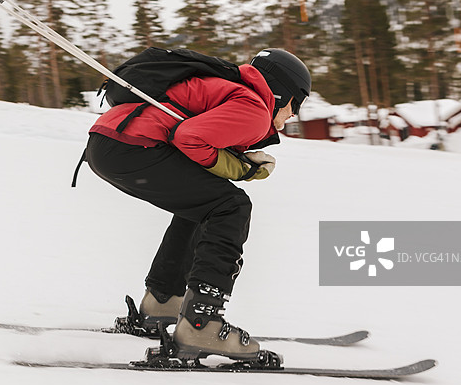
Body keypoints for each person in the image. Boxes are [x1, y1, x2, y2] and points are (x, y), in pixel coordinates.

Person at [85, 48, 311, 360]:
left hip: (109, 142)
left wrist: (232, 162)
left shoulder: (232, 89)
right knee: (232, 206)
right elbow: (188, 137)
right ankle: (201, 325)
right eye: (296, 103)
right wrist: (239, 169)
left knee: (206, 204)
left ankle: (164, 300)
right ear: (279, 93)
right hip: (133, 146)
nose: (293, 113)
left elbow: (191, 136)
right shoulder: (255, 109)